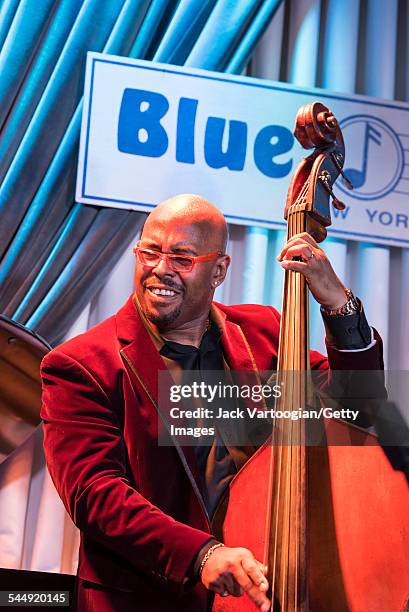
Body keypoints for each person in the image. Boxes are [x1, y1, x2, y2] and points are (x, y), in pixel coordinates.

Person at [40, 194, 384, 612]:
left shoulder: (265, 332)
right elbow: (96, 496)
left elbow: (358, 403)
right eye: (150, 252)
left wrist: (336, 303)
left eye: (182, 258)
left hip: (264, 592)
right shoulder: (80, 364)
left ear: (219, 269)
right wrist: (202, 554)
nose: (160, 270)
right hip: (152, 600)